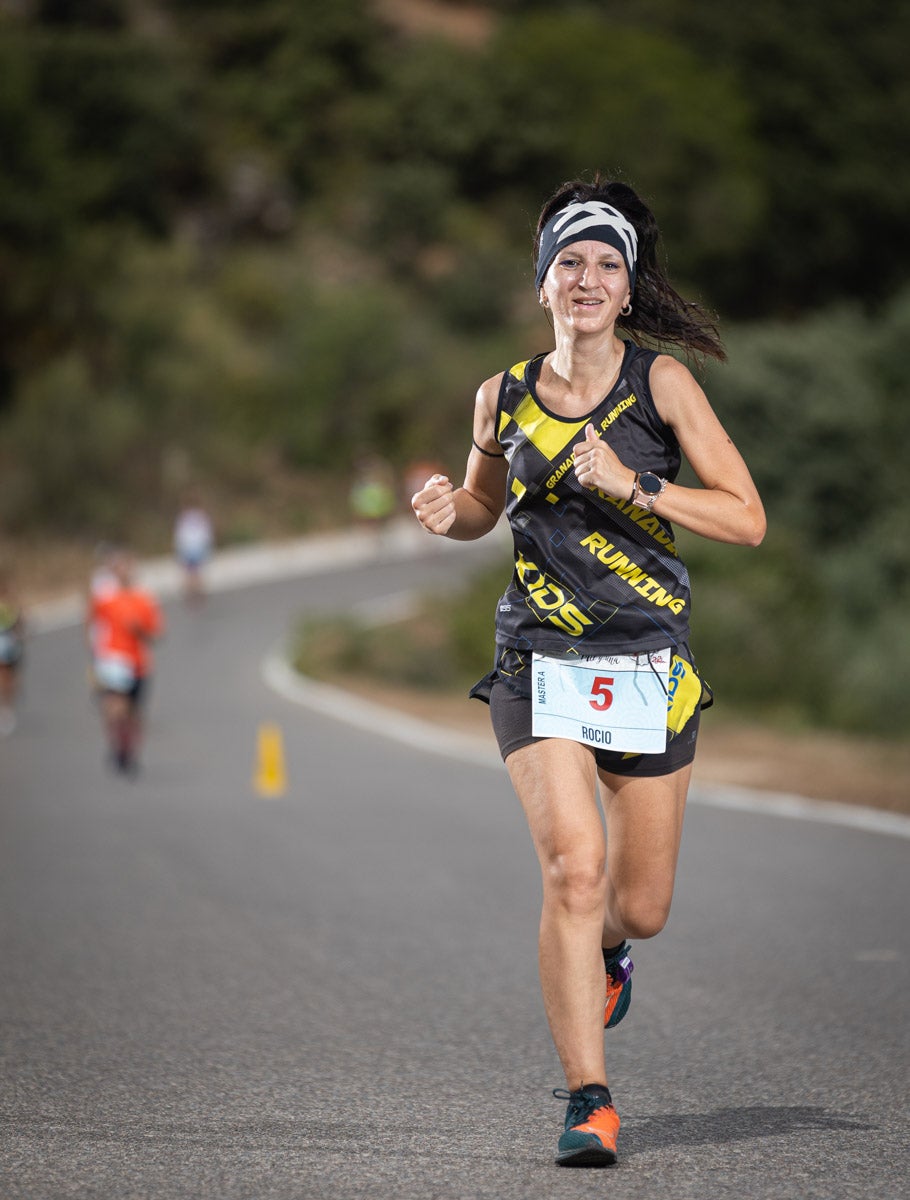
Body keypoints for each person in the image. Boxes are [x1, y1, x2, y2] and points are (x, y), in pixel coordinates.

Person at [411, 177, 766, 1168]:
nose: (587, 278)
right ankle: (588, 1097)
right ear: (542, 281)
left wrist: (637, 483)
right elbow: (486, 505)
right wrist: (454, 514)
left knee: (638, 904)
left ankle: (609, 951)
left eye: (607, 263)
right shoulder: (502, 395)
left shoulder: (662, 388)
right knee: (573, 870)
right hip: (539, 661)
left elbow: (745, 516)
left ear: (629, 284)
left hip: (647, 662)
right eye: (569, 261)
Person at [87, 548, 164, 775]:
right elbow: (91, 621)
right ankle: (117, 747)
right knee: (115, 707)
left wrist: (140, 631)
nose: (123, 572)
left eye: (127, 567)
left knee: (134, 713)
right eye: (118, 567)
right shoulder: (105, 598)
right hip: (112, 661)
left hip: (139, 664)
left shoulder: (144, 599)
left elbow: (156, 635)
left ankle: (130, 752)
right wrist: (94, 652)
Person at [173, 492, 214, 605]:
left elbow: (180, 535)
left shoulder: (186, 517)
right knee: (195, 573)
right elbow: (206, 533)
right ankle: (196, 594)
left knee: (191, 573)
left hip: (190, 548)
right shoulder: (198, 516)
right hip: (196, 548)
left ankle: (194, 594)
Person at [0, 565, 25, 736]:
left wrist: (19, 632)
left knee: (9, 678)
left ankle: (7, 709)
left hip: (8, 643)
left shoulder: (10, 600)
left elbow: (20, 620)